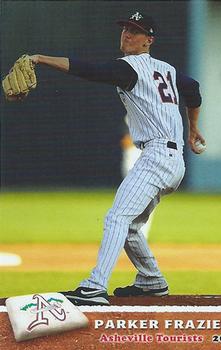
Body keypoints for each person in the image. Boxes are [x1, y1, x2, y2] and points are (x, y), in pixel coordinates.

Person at [30, 11, 205, 306]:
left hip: (157, 156)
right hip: (172, 160)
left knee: (116, 218)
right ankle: (152, 281)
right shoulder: (168, 70)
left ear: (149, 40)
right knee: (131, 227)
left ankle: (95, 286)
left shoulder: (129, 67)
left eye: (135, 31)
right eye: (125, 29)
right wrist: (194, 129)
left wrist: (40, 58)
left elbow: (88, 69)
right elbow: (194, 89)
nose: (127, 35)